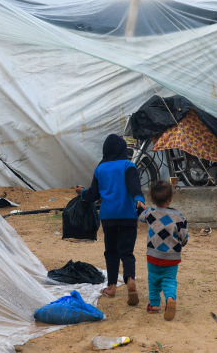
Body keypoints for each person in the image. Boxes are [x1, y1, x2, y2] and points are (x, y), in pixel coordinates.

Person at [75, 134, 145, 305]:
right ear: (123, 150)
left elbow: (93, 195)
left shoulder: (100, 169)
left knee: (111, 251)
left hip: (108, 216)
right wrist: (138, 199)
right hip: (128, 215)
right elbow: (134, 185)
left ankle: (111, 287)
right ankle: (130, 280)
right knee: (126, 252)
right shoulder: (128, 166)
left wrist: (81, 192)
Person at [138, 180, 187, 321]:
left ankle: (154, 305)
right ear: (171, 198)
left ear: (152, 199)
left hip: (153, 255)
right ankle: (170, 298)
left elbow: (140, 216)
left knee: (153, 280)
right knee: (169, 280)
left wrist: (141, 207)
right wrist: (183, 243)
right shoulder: (178, 216)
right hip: (172, 257)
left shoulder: (150, 213)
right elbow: (184, 236)